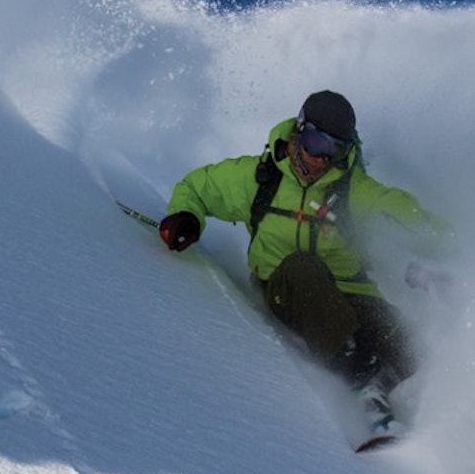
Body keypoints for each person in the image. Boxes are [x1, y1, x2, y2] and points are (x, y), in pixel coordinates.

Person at [157, 90, 453, 428]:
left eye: (334, 150)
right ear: (299, 131)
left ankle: (430, 417)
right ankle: (362, 379)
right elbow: (197, 187)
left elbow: (413, 219)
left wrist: (462, 256)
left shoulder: (353, 192)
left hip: (350, 292)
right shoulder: (260, 179)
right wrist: (186, 217)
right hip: (286, 288)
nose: (321, 159)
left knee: (409, 343)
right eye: (315, 143)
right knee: (304, 269)